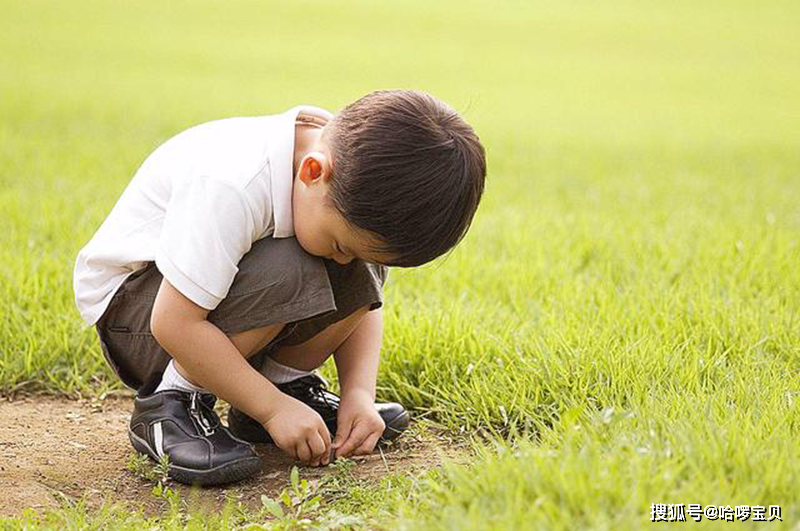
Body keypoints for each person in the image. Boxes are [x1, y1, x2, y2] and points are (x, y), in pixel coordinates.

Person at [72, 89, 487, 486]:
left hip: (202, 311)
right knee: (293, 268)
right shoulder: (231, 183)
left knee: (356, 267)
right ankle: (171, 404)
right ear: (313, 172)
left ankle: (282, 385)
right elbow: (174, 323)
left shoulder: (341, 165)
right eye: (342, 244)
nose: (343, 259)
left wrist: (358, 395)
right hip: (137, 317)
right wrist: (274, 410)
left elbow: (365, 300)